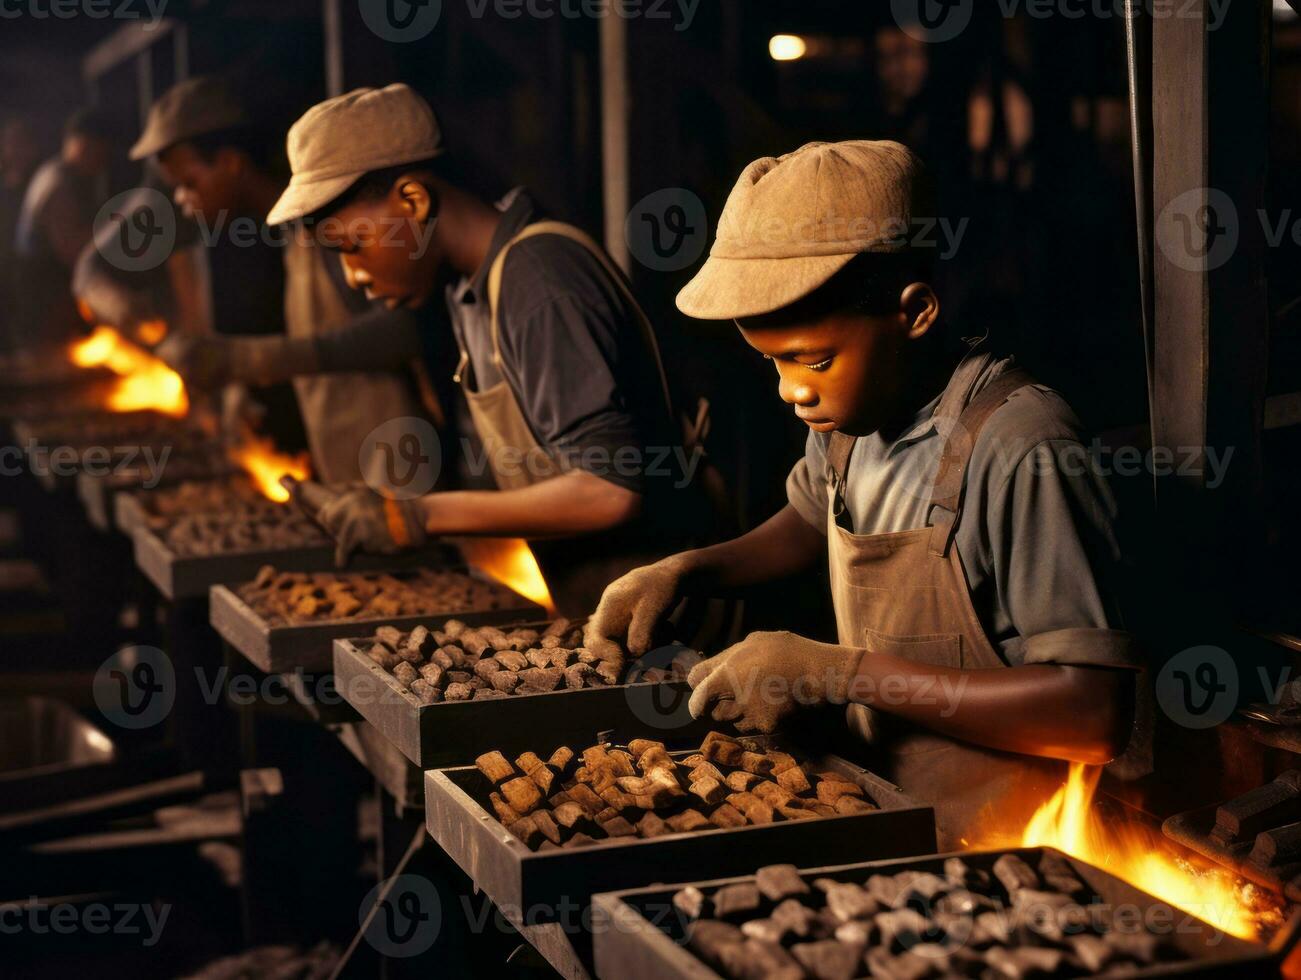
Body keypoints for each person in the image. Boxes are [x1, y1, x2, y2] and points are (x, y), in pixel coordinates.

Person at [584, 141, 1146, 847]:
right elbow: (804, 519)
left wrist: (838, 672)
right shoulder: (849, 416)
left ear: (913, 312)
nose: (791, 390)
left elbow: (1091, 712)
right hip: (885, 807)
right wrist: (690, 568)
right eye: (771, 364)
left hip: (1012, 849)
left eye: (813, 360)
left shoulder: (1020, 446)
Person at [264, 84, 712, 619]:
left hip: (685, 629)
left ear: (413, 200)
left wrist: (416, 517)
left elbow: (609, 489)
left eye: (352, 247)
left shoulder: (539, 281)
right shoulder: (466, 289)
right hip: (607, 618)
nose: (353, 277)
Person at [134, 75, 434, 473]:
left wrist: (256, 359)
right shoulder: (282, 237)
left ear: (230, 163)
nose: (182, 199)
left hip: (409, 473)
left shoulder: (333, 229)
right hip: (353, 474)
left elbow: (406, 330)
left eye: (189, 182)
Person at [12, 107, 111, 350]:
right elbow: (74, 251)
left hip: (46, 303)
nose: (100, 163)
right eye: (98, 153)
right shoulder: (58, 185)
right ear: (82, 144)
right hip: (45, 308)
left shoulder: (58, 174)